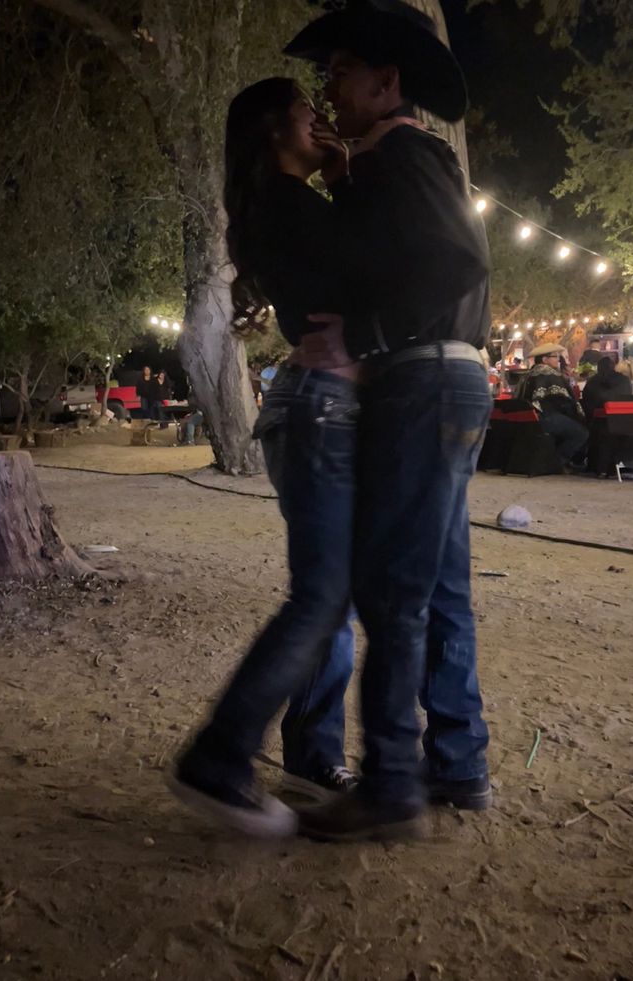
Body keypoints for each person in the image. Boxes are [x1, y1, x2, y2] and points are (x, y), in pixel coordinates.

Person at [282, 0, 493, 839]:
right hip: (451, 381)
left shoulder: (404, 153)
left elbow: (457, 259)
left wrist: (365, 333)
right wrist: (347, 181)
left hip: (421, 382)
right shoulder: (404, 161)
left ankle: (393, 781)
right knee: (439, 584)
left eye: (337, 73)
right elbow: (413, 253)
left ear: (385, 81)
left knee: (393, 590)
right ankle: (460, 763)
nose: (327, 90)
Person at [169, 76, 365, 836]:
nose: (321, 122)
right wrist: (353, 182)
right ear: (276, 131)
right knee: (321, 597)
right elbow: (363, 273)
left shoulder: (280, 208)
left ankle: (311, 750)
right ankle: (220, 755)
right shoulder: (290, 206)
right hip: (320, 408)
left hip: (311, 406)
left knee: (332, 594)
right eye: (308, 113)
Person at [516, 343, 588, 467]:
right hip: (546, 418)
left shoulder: (528, 374)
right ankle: (556, 462)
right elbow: (565, 400)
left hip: (530, 419)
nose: (558, 360)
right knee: (582, 433)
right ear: (545, 359)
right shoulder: (550, 373)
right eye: (555, 356)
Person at [581, 356, 632, 422]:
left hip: (596, 423)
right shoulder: (625, 380)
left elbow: (585, 400)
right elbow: (629, 398)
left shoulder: (591, 382)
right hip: (621, 421)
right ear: (613, 367)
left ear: (598, 368)